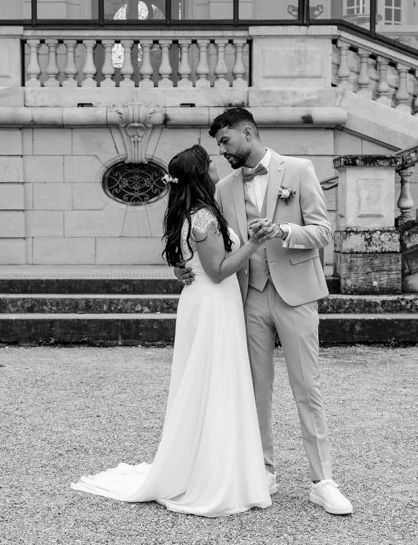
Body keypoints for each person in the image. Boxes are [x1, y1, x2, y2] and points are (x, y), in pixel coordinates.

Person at [71, 144, 273, 518]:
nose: (215, 172)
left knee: (204, 382)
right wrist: (254, 244)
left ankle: (210, 463)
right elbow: (218, 269)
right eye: (210, 167)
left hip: (202, 301)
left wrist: (185, 269)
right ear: (201, 175)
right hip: (213, 303)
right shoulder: (203, 218)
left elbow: (192, 263)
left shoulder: (187, 214)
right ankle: (213, 474)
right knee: (214, 382)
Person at [182, 107, 354, 516]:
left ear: (247, 133)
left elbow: (324, 232)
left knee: (306, 387)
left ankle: (323, 480)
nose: (221, 150)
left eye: (225, 141)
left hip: (296, 293)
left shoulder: (298, 170)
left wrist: (283, 232)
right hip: (249, 296)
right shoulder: (223, 187)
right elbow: (211, 238)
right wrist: (183, 264)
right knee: (254, 388)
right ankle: (263, 470)